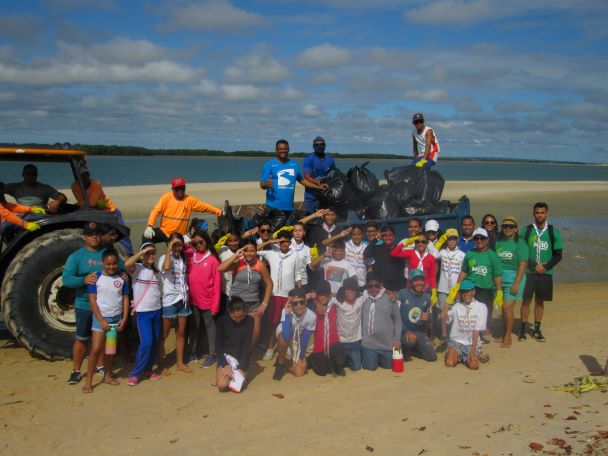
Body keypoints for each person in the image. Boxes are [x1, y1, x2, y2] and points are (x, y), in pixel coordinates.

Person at [62, 222, 107, 385]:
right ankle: (76, 370)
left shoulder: (107, 253)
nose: (94, 236)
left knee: (101, 338)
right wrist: (83, 279)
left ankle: (101, 366)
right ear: (84, 237)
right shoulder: (76, 256)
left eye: (96, 233)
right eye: (90, 234)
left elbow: (121, 269)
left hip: (104, 307)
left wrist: (123, 275)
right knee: (81, 338)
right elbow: (66, 280)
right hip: (84, 305)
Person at [82, 249, 129, 393]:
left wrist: (125, 318)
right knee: (95, 350)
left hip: (116, 318)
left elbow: (125, 299)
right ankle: (88, 381)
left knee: (110, 351)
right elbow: (92, 300)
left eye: (114, 263)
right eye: (108, 264)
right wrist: (101, 320)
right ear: (103, 263)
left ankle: (107, 375)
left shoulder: (122, 279)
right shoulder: (96, 278)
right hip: (100, 319)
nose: (111, 266)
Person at [448, 228, 503, 342]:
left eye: (482, 238)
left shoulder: (493, 255)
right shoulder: (470, 253)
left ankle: (479, 336)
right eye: (476, 238)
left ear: (487, 240)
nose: (479, 241)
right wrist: (457, 287)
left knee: (483, 314)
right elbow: (463, 271)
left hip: (486, 289)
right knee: (467, 312)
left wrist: (499, 292)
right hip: (470, 287)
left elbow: (497, 276)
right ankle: (466, 335)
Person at [218, 239, 273, 350]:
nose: (249, 253)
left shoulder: (260, 265)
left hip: (253, 306)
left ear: (256, 251)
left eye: (252, 251)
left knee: (254, 334)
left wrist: (264, 304)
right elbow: (220, 268)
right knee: (234, 334)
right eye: (246, 251)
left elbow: (269, 284)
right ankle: (233, 357)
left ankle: (245, 357)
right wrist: (236, 255)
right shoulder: (238, 262)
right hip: (236, 305)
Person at [520, 202, 563, 342]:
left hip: (546, 273)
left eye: (542, 212)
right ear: (533, 214)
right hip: (528, 272)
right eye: (537, 213)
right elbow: (520, 251)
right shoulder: (526, 230)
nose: (540, 215)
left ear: (547, 214)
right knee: (526, 301)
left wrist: (545, 266)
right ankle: (522, 329)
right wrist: (533, 266)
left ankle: (537, 330)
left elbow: (558, 255)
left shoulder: (552, 231)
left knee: (539, 302)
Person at [256, 230, 302, 361]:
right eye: (282, 241)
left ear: (290, 242)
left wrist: (299, 291)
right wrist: (271, 241)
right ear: (278, 242)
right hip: (274, 295)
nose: (285, 244)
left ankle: (286, 347)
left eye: (287, 241)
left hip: (289, 295)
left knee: (287, 322)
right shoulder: (272, 253)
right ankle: (270, 348)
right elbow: (255, 250)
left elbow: (297, 274)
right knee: (272, 323)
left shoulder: (294, 255)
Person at [71, 168, 133, 255]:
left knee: (122, 234)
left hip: (109, 211)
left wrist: (83, 205)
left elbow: (91, 204)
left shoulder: (96, 184)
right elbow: (82, 202)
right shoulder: (75, 186)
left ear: (89, 175)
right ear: (78, 177)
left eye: (86, 175)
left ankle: (129, 254)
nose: (85, 177)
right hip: (92, 211)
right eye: (82, 176)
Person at [125, 243, 163, 386]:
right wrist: (142, 253)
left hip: (156, 311)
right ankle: (135, 373)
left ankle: (148, 370)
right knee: (146, 342)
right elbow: (127, 263)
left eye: (153, 253)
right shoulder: (138, 269)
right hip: (143, 313)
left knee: (154, 342)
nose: (151, 256)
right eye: (148, 253)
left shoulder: (156, 272)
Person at [260, 139, 326, 219]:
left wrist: (318, 187)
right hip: (273, 207)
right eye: (280, 149)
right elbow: (262, 184)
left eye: (285, 149)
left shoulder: (294, 164)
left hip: (289, 207)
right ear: (276, 150)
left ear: (288, 150)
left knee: (288, 230)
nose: (283, 151)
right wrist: (267, 184)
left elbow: (302, 180)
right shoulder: (269, 165)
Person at [143, 177, 221, 245]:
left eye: (182, 188)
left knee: (180, 255)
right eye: (177, 189)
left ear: (185, 187)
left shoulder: (189, 200)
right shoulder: (166, 197)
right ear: (172, 189)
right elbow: (155, 211)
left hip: (179, 235)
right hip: (165, 232)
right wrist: (149, 226)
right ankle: (145, 257)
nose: (180, 191)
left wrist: (219, 212)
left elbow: (205, 207)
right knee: (146, 236)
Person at [184, 229, 221, 368]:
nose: (198, 245)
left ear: (206, 242)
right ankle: (192, 351)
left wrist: (215, 305)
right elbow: (181, 248)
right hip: (193, 301)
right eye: (195, 243)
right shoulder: (191, 256)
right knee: (194, 326)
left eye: (201, 242)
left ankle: (212, 354)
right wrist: (189, 243)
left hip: (208, 301)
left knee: (210, 327)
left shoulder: (213, 260)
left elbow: (217, 285)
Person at [157, 233, 192, 373]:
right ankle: (160, 363)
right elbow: (165, 268)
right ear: (169, 244)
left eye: (179, 244)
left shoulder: (182, 258)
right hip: (169, 300)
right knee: (164, 333)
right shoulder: (163, 258)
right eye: (174, 244)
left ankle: (180, 362)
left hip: (183, 299)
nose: (177, 247)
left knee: (181, 332)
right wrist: (169, 250)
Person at [495, 216, 528, 348]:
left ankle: (508, 335)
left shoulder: (520, 243)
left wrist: (516, 283)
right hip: (498, 279)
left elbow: (523, 264)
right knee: (502, 308)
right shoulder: (498, 241)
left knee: (507, 308)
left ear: (516, 228)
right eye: (505, 226)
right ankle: (504, 333)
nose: (508, 228)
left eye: (511, 226)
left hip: (514, 278)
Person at [441, 279, 488, 370]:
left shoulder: (481, 307)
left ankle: (473, 354)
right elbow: (442, 316)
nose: (465, 294)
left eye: (468, 291)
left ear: (473, 292)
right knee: (449, 363)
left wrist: (473, 352)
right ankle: (460, 356)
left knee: (474, 366)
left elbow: (476, 331)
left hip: (471, 343)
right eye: (463, 292)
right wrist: (449, 300)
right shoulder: (456, 307)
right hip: (456, 342)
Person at [360, 273, 402, 371]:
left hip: (387, 344)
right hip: (369, 344)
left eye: (377, 286)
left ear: (381, 285)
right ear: (367, 286)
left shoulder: (390, 299)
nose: (373, 289)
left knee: (389, 367)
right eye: (370, 286)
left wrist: (397, 340)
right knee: (370, 368)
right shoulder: (363, 298)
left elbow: (398, 320)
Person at [273, 288, 316, 380]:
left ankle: (282, 357)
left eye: (301, 302)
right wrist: (288, 314)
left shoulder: (312, 316)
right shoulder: (286, 311)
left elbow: (305, 338)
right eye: (295, 303)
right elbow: (286, 335)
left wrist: (301, 358)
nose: (299, 305)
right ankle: (280, 365)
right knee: (283, 340)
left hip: (299, 338)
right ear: (291, 303)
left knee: (299, 373)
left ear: (306, 302)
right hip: (286, 332)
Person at [215, 297, 254, 393]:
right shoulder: (222, 321)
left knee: (237, 387)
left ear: (245, 312)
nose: (238, 320)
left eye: (241, 316)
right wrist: (225, 365)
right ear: (229, 311)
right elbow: (218, 346)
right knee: (222, 385)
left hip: (241, 358)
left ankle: (243, 373)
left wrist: (242, 368)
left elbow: (246, 346)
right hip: (226, 357)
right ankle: (220, 372)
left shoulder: (250, 321)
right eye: (235, 317)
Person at [308, 280, 346, 376]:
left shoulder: (335, 305)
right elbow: (300, 299)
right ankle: (313, 358)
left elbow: (346, 292)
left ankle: (334, 364)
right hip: (320, 346)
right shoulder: (312, 307)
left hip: (334, 344)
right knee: (321, 372)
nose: (322, 296)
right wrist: (316, 302)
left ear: (330, 294)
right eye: (320, 294)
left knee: (340, 362)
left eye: (325, 294)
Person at [398, 270, 437, 362]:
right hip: (403, 331)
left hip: (419, 332)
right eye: (416, 280)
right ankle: (406, 349)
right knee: (408, 343)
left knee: (432, 357)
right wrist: (406, 331)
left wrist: (428, 319)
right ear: (410, 282)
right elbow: (395, 316)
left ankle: (414, 350)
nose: (419, 283)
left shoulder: (427, 297)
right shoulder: (401, 294)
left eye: (421, 280)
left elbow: (430, 319)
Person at [390, 232, 438, 305]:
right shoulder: (411, 253)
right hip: (411, 287)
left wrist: (434, 290)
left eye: (423, 242)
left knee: (423, 311)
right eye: (417, 242)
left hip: (425, 288)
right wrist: (405, 243)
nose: (420, 244)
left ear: (427, 243)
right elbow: (393, 253)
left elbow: (432, 277)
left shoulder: (431, 258)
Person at [434, 228, 465, 340]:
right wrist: (440, 242)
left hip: (455, 290)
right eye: (449, 239)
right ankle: (443, 334)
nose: (452, 241)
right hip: (442, 289)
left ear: (457, 240)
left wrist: (459, 288)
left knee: (456, 312)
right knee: (443, 313)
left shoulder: (462, 255)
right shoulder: (442, 253)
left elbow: (464, 272)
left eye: (454, 239)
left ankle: (455, 333)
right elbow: (432, 254)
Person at [333, 278, 364, 371]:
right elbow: (323, 299)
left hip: (355, 341)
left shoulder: (361, 299)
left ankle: (348, 359)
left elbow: (379, 291)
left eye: (353, 289)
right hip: (340, 341)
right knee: (338, 368)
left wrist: (391, 294)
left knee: (356, 367)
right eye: (347, 289)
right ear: (343, 290)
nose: (350, 291)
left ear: (356, 291)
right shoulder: (337, 301)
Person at [363, 225, 406, 292]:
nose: (387, 238)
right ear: (382, 237)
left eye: (390, 235)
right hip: (382, 287)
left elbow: (401, 269)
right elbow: (366, 253)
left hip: (397, 286)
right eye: (385, 236)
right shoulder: (377, 248)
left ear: (394, 236)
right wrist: (375, 239)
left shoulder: (398, 250)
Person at [302, 136, 336, 213]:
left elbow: (334, 174)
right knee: (310, 214)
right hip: (312, 193)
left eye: (321, 144)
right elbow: (307, 176)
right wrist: (319, 183)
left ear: (325, 145)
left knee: (327, 214)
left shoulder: (330, 159)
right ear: (313, 146)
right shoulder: (308, 159)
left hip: (326, 191)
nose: (319, 146)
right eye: (316, 145)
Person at [345, 225, 367, 289]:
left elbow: (369, 266)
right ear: (351, 235)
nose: (356, 237)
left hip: (362, 283)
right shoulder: (345, 246)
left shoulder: (366, 247)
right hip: (348, 282)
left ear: (362, 234)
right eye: (354, 234)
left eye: (359, 234)